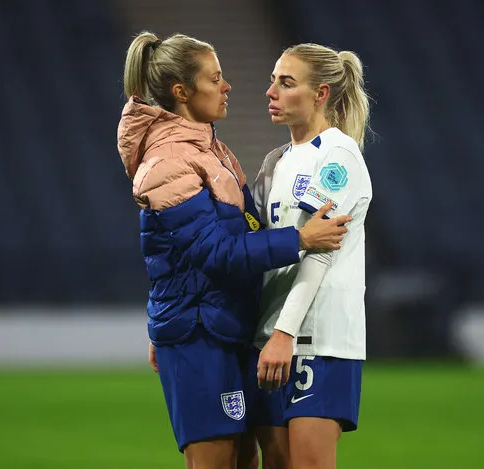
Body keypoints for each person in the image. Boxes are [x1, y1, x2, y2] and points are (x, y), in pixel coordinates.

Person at [117, 32, 353, 469]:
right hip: (198, 335)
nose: (228, 87)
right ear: (182, 92)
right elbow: (214, 251)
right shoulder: (168, 161)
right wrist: (299, 240)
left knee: (242, 459)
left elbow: (213, 241)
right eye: (215, 78)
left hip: (223, 330)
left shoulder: (210, 148)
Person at [251, 43, 373, 469]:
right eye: (272, 81)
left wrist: (285, 333)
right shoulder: (274, 163)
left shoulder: (336, 156)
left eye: (286, 83)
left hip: (320, 340)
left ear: (321, 94)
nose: (271, 91)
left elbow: (318, 252)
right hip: (271, 341)